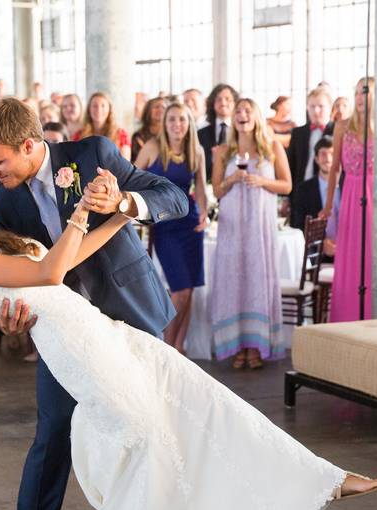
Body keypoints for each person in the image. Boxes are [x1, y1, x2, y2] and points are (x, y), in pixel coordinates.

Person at [0, 160, 377, 510]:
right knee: (148, 442)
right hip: (81, 354)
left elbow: (65, 257)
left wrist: (118, 219)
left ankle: (316, 479)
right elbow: (49, 272)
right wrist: (79, 210)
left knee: (201, 398)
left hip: (103, 333)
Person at [0, 96, 190, 510]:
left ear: (29, 145)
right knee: (51, 436)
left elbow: (172, 197)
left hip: (130, 313)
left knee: (151, 427)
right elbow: (15, 278)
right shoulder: (4, 204)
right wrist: (10, 319)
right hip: (65, 331)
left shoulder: (93, 154)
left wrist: (124, 204)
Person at [211, 98, 291, 368]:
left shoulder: (272, 147)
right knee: (234, 280)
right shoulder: (223, 151)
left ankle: (256, 346)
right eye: (238, 111)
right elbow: (217, 191)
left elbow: (287, 185)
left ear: (256, 116)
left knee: (257, 279)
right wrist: (232, 179)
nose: (242, 114)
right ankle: (236, 346)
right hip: (232, 226)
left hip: (259, 226)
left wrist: (263, 181)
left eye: (247, 110)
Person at [134, 102, 208, 353]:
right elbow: (131, 179)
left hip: (191, 224)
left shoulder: (196, 151)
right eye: (172, 119)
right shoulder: (153, 148)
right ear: (165, 124)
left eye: (182, 119)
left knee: (191, 291)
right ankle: (166, 348)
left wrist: (205, 213)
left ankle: (180, 347)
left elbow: (199, 187)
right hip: (165, 225)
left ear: (190, 123)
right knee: (181, 290)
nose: (177, 124)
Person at [320, 77, 375, 323]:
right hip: (351, 196)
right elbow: (334, 171)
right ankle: (348, 316)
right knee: (351, 256)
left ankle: (373, 314)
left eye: (365, 92)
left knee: (373, 255)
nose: (360, 97)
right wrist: (329, 205)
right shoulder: (342, 126)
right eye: (356, 93)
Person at [290, 136, 340, 232]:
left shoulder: (347, 187)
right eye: (323, 154)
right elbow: (299, 224)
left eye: (332, 154)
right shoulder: (303, 190)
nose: (328, 159)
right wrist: (323, 242)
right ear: (316, 159)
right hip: (317, 245)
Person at [198, 83, 238, 182]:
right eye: (219, 99)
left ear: (235, 103)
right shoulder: (201, 133)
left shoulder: (242, 132)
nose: (223, 103)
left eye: (227, 99)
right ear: (212, 104)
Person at [73, 92, 131, 161]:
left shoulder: (121, 134)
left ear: (109, 109)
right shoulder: (79, 135)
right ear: (89, 109)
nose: (99, 110)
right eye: (95, 106)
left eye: (103, 106)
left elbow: (125, 165)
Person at [130, 96, 166, 164]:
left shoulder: (171, 135)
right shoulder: (138, 136)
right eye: (157, 107)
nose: (161, 110)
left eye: (163, 107)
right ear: (148, 111)